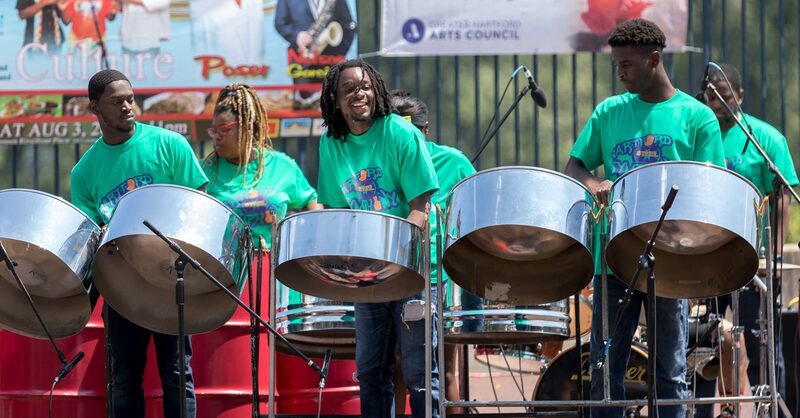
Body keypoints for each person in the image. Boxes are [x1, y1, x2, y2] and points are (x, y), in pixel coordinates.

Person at [563, 18, 725, 418]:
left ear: (654, 59)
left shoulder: (697, 117)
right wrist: (595, 182)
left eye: (626, 65)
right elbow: (575, 166)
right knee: (604, 368)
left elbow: (711, 186)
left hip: (670, 257)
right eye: (616, 65)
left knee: (669, 371)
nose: (619, 73)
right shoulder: (609, 111)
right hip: (613, 257)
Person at [71, 69, 206, 418]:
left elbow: (199, 203)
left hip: (171, 280)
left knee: (177, 375)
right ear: (94, 108)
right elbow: (90, 236)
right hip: (122, 287)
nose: (127, 107)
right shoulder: (84, 172)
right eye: (116, 102)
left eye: (130, 99)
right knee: (123, 379)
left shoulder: (169, 144)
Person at [316, 59, 440, 418]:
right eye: (349, 88)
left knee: (419, 373)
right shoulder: (331, 144)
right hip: (366, 275)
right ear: (335, 99)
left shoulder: (400, 134)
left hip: (409, 271)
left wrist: (394, 258)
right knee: (370, 373)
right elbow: (337, 211)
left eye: (365, 86)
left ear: (377, 91)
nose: (360, 93)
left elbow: (420, 207)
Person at [693, 62, 799, 418]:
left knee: (761, 346)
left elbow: (782, 199)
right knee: (702, 344)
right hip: (706, 258)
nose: (717, 105)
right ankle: (701, 411)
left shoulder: (766, 138)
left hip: (753, 261)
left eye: (724, 97)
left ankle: (770, 412)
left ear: (739, 96)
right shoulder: (698, 135)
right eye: (711, 98)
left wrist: (773, 257)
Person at [389, 90, 475, 415]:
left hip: (440, 277)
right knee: (395, 370)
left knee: (441, 369)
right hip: (392, 274)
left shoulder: (453, 161)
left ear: (426, 130)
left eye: (414, 133)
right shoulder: (384, 158)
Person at [203, 82, 322, 249]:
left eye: (224, 129)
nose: (216, 136)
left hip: (272, 264)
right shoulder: (203, 171)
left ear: (247, 127)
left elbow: (311, 200)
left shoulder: (281, 166)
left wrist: (314, 241)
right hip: (221, 265)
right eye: (214, 130)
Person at [274, 0, 356, 108]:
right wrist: (297, 36)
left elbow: (349, 27)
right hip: (302, 60)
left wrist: (340, 54)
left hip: (331, 60)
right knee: (305, 104)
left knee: (333, 106)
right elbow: (280, 23)